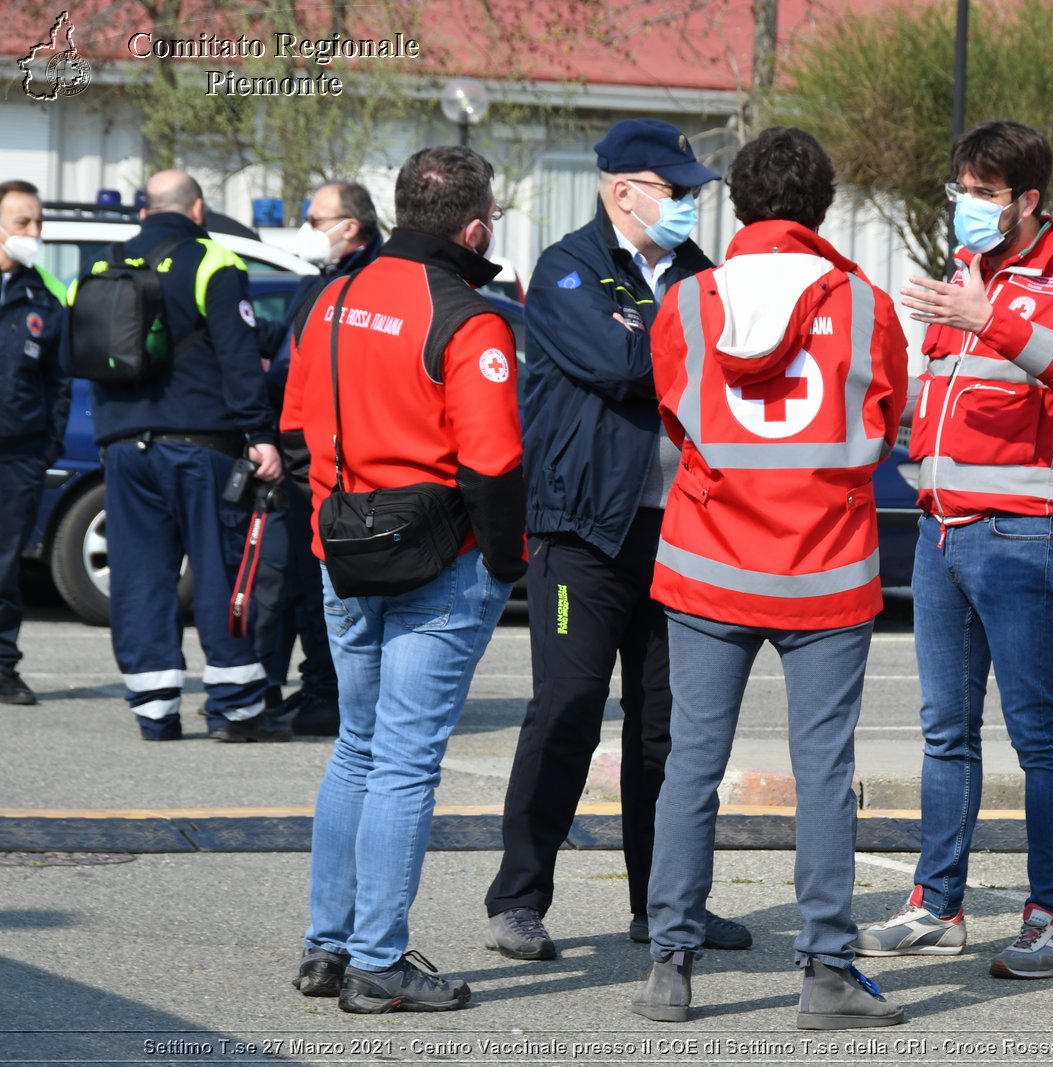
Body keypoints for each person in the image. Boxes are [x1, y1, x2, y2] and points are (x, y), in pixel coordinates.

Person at [630, 126, 908, 1028]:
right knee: (823, 771)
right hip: (825, 568)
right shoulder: (865, 306)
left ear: (735, 203)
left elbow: (675, 414)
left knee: (691, 768)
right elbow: (888, 417)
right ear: (822, 206)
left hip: (710, 562)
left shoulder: (689, 299)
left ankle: (669, 965)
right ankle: (826, 972)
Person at [853, 121, 1053, 979]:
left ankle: (1049, 918)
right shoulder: (962, 279)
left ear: (1027, 201)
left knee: (1037, 733)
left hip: (1021, 534)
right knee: (943, 732)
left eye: (983, 191)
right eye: (959, 188)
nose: (966, 205)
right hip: (939, 533)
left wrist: (991, 318)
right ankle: (937, 905)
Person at [484, 118, 751, 960]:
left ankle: (664, 903)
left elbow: (733, 364)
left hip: (682, 534)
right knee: (565, 712)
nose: (689, 206)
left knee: (666, 730)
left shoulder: (703, 275)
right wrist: (683, 347)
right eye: (675, 191)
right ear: (622, 190)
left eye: (694, 193)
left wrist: (667, 344)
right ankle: (519, 899)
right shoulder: (569, 269)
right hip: (583, 535)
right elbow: (621, 366)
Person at [280, 145, 526, 1013]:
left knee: (358, 746)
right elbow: (493, 464)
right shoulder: (470, 317)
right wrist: (505, 564)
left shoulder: (331, 299)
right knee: (406, 765)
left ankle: (327, 943)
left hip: (343, 549)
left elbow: (298, 427)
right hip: (438, 560)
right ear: (476, 226)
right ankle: (379, 959)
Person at [71, 171, 284, 741]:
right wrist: (260, 434)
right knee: (220, 571)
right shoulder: (212, 261)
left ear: (144, 212)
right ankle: (235, 708)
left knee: (139, 577)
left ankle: (154, 709)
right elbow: (239, 358)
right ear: (197, 210)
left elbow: (89, 357)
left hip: (122, 449)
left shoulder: (98, 267)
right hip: (199, 447)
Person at [254, 181, 386, 736]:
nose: (307, 230)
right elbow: (292, 360)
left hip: (336, 462)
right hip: (303, 457)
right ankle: (316, 689)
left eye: (315, 219)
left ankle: (330, 697)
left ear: (349, 226)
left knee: (327, 588)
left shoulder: (370, 282)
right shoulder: (323, 281)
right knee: (299, 587)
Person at [0, 179, 69, 705]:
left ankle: (3, 667)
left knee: (5, 566)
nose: (34, 233)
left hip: (19, 454)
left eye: (38, 223)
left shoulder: (41, 295)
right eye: (24, 222)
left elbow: (59, 383)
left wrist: (45, 448)